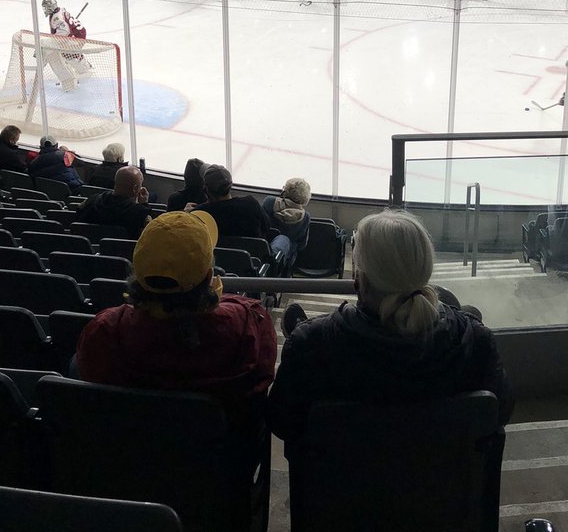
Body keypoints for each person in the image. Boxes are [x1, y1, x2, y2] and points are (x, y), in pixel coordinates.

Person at [267, 209, 513, 446]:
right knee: (467, 312)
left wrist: (302, 339)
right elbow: (499, 412)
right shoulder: (477, 342)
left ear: (360, 279)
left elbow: (283, 422)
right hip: (445, 486)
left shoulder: (312, 344)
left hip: (342, 486)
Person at [75, 210, 277, 428]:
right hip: (219, 458)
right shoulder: (250, 324)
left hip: (127, 452)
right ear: (209, 276)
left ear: (138, 272)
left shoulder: (103, 331)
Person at [193, 165, 271, 240]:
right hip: (256, 253)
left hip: (217, 253)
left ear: (207, 190)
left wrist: (186, 213)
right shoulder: (251, 204)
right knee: (282, 238)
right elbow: (267, 227)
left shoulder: (199, 213)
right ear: (231, 185)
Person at [77, 164, 152, 238]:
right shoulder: (140, 213)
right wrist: (144, 204)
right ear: (135, 188)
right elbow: (148, 235)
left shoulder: (92, 201)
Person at [261, 177, 312, 274]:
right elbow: (302, 245)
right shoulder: (305, 217)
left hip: (262, 248)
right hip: (286, 258)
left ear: (285, 191)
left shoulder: (269, 202)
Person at [42, 0, 90, 91]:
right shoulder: (59, 11)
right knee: (64, 54)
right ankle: (80, 68)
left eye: (46, 7)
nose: (44, 9)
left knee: (68, 54)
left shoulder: (57, 17)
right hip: (78, 33)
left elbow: (65, 32)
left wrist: (54, 40)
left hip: (76, 37)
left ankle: (85, 72)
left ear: (50, 7)